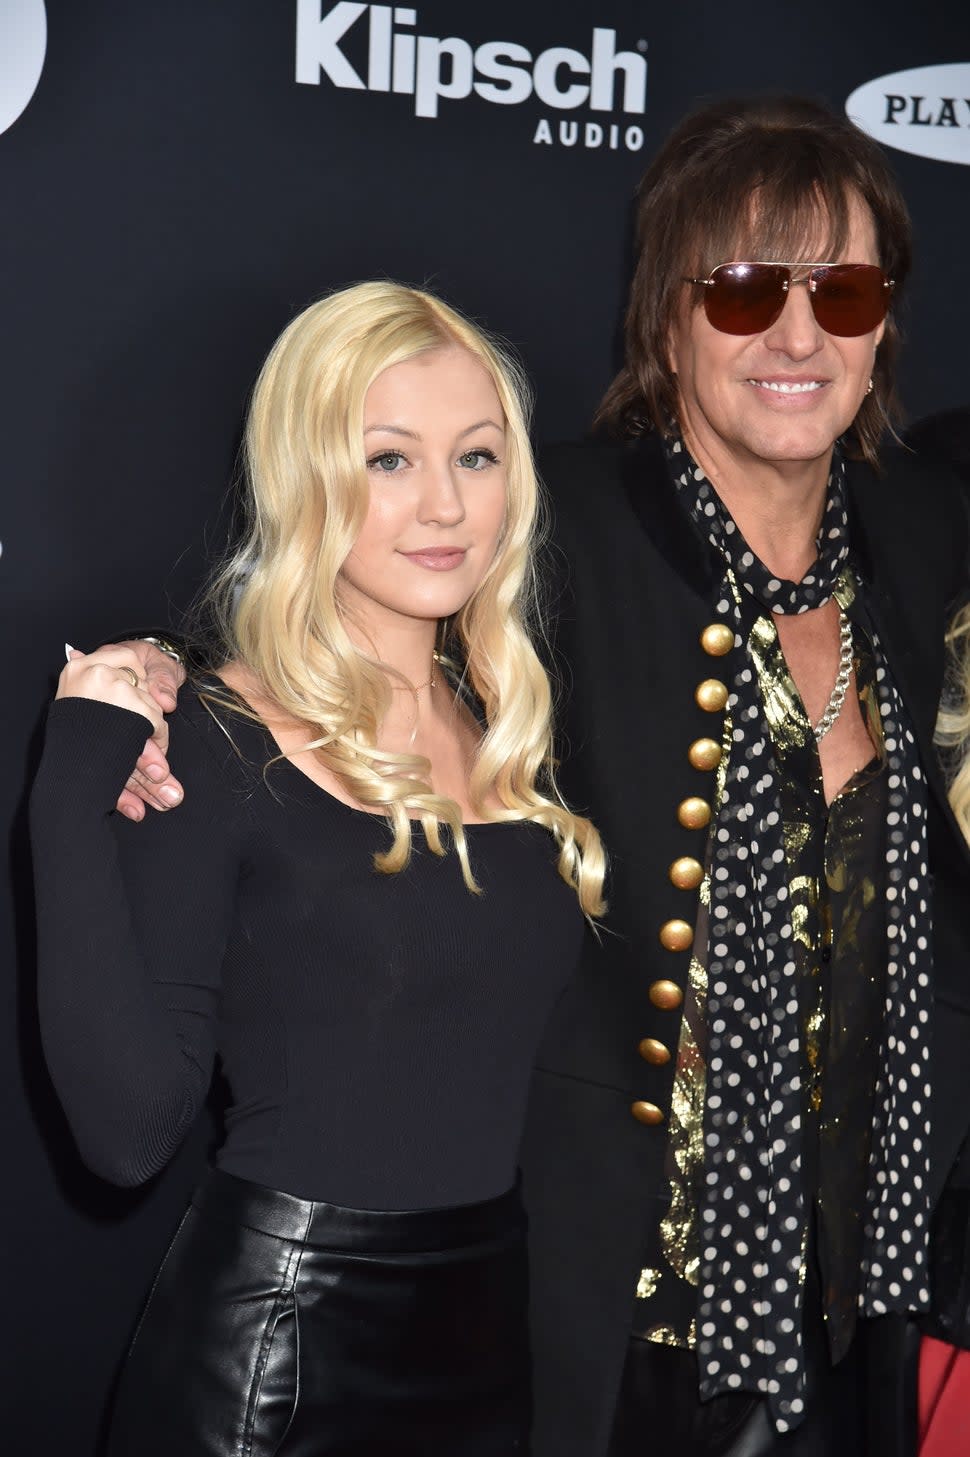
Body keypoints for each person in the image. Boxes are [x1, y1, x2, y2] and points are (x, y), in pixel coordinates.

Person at [85, 96, 970, 1456]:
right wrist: (156, 686)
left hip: (851, 1304)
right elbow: (351, 585)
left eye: (842, 289)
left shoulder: (921, 531)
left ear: (881, 325)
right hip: (596, 1310)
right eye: (742, 290)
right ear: (666, 320)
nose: (797, 335)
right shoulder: (541, 531)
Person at [29, 281, 605, 1457]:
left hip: (493, 1348)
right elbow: (128, 1132)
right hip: (276, 1368)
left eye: (478, 454)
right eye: (388, 459)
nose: (447, 504)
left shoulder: (515, 725)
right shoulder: (218, 739)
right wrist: (65, 792)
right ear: (307, 478)